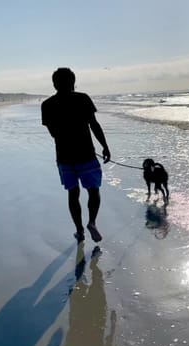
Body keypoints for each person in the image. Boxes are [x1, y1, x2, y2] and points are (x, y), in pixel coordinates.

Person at [42, 68, 111, 242]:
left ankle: (79, 231)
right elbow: (94, 125)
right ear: (73, 82)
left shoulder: (47, 105)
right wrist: (105, 146)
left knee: (73, 194)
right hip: (86, 154)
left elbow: (54, 133)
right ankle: (92, 222)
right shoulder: (83, 98)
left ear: (54, 84)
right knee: (93, 191)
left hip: (65, 158)